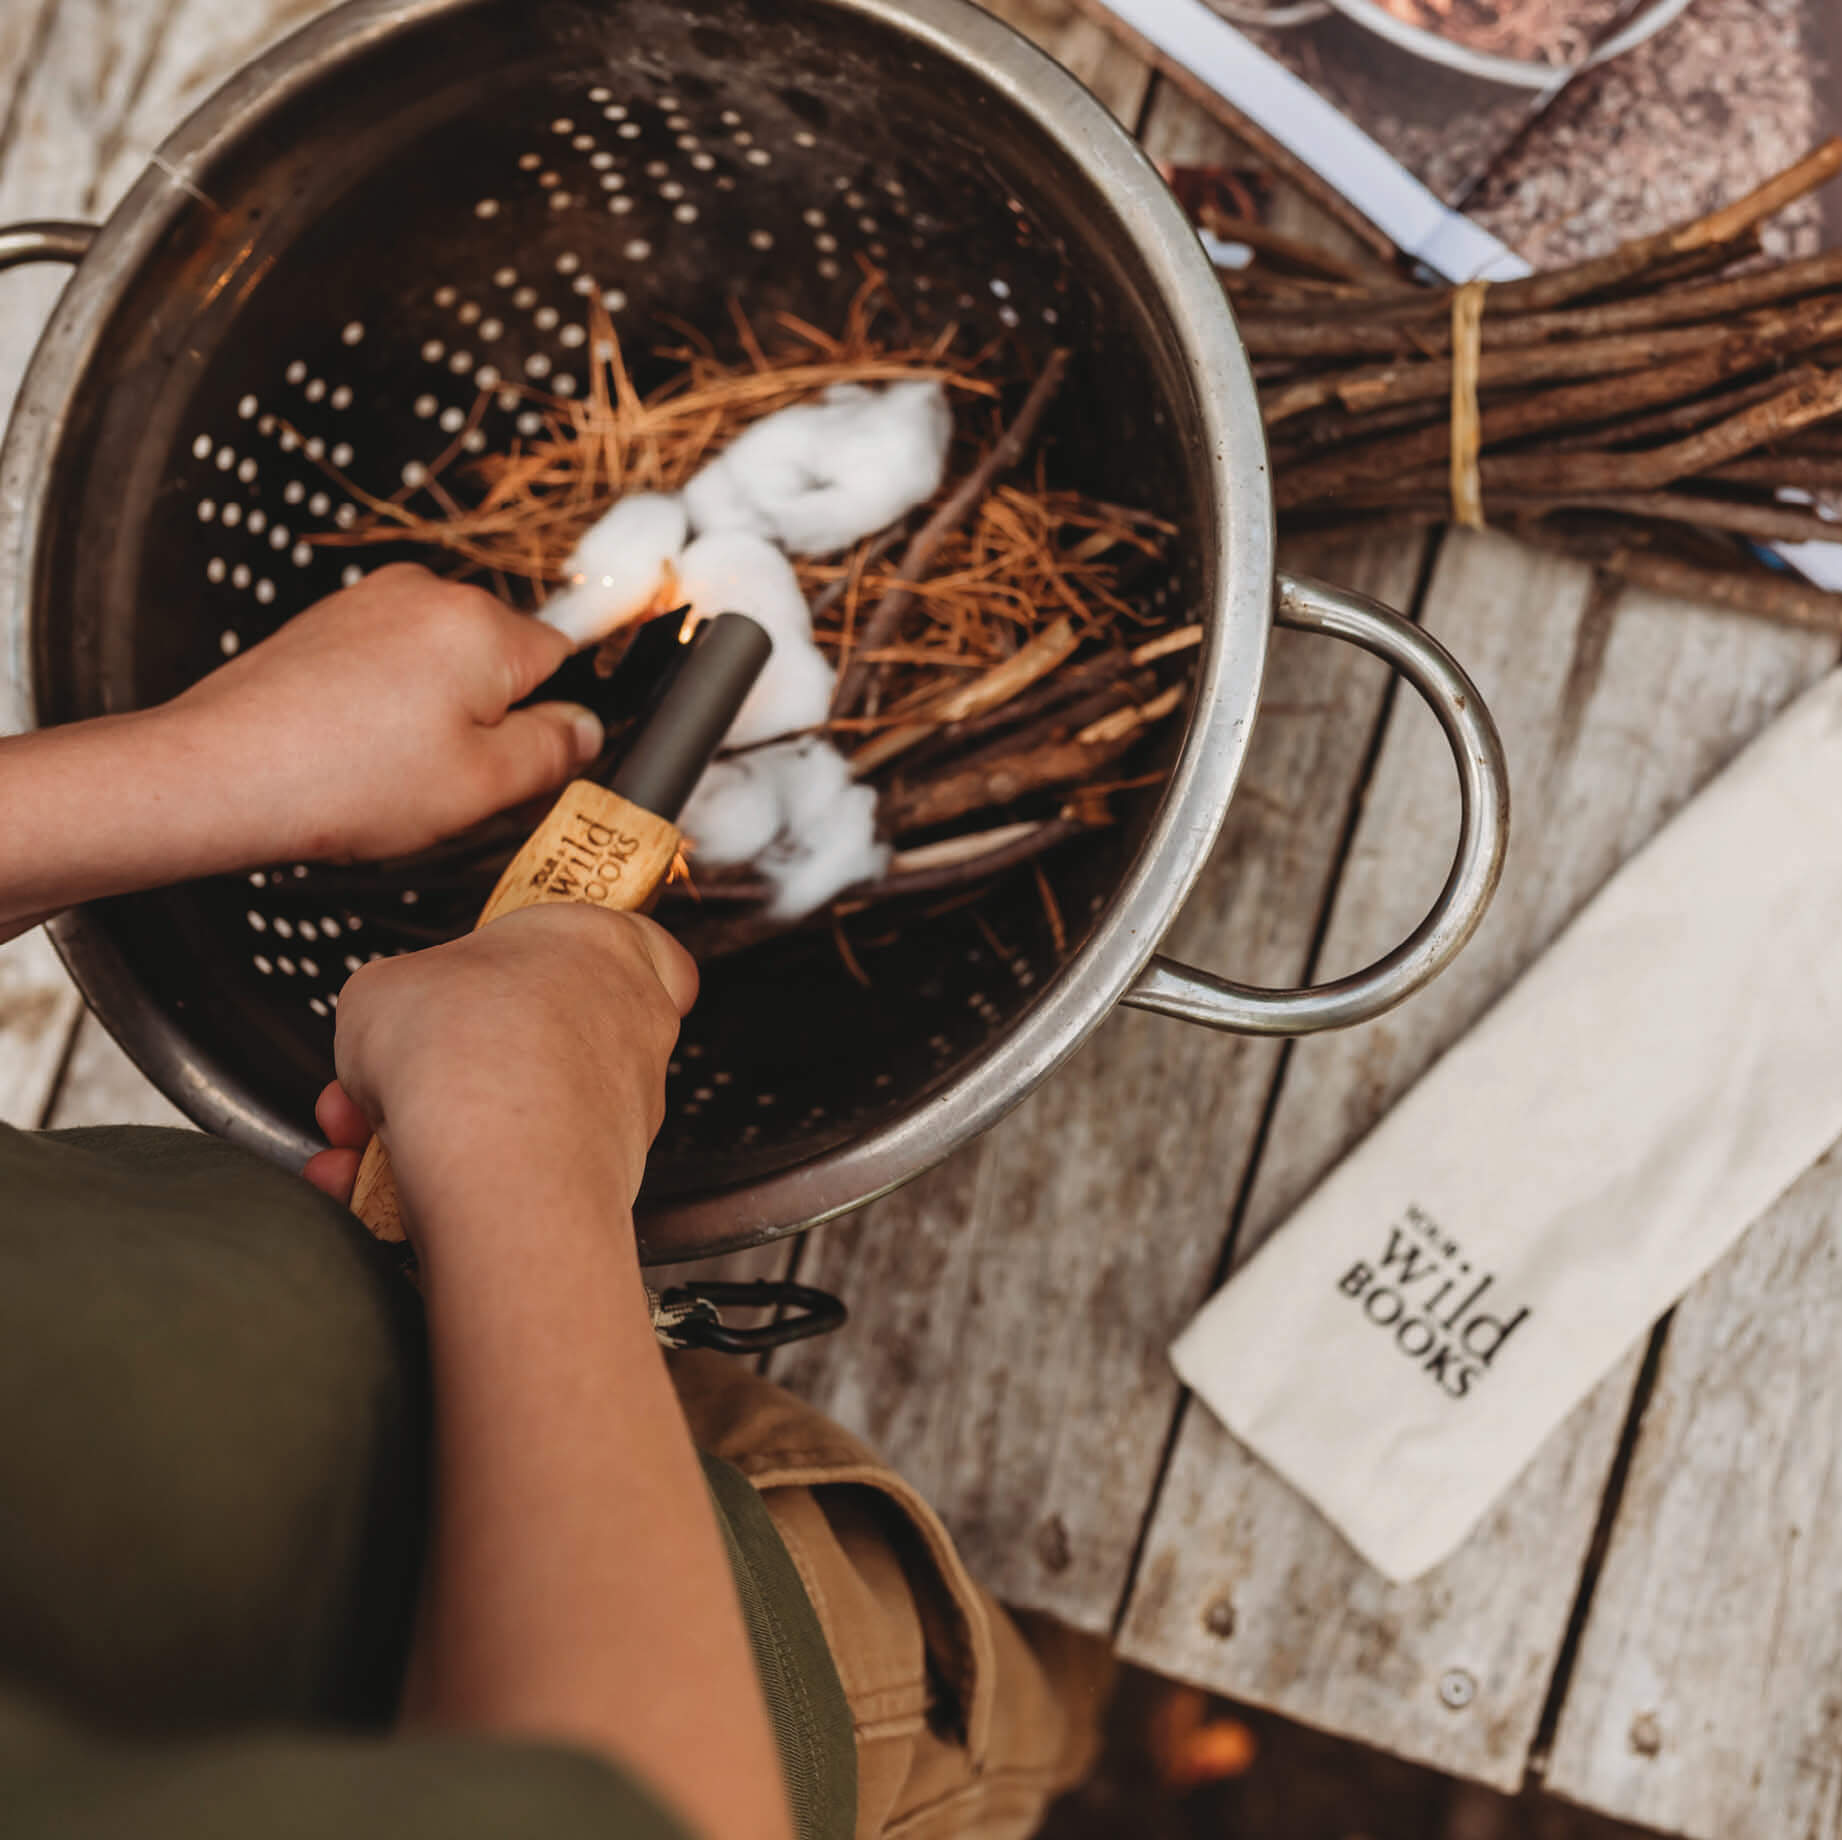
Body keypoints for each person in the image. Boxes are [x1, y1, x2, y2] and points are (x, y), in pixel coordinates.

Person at [0, 564, 1105, 1839]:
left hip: (370, 1314)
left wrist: (210, 764)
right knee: (963, 1680)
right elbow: (635, 1808)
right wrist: (527, 1153)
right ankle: (1063, 1736)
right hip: (693, 1645)